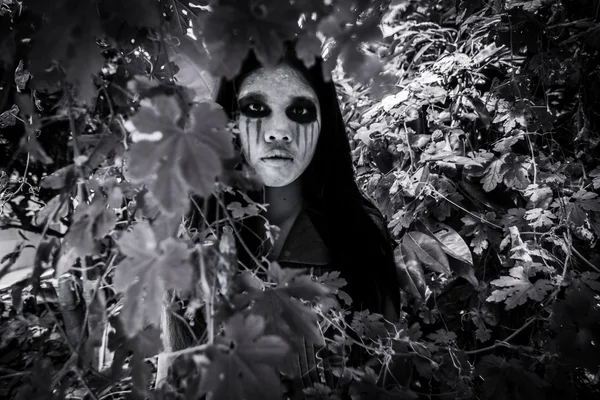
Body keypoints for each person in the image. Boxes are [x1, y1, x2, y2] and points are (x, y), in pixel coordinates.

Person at [157, 42, 402, 398]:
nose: (278, 130)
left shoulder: (359, 233)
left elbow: (390, 373)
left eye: (300, 110)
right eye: (257, 108)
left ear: (324, 123)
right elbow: (177, 379)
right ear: (229, 121)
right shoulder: (193, 239)